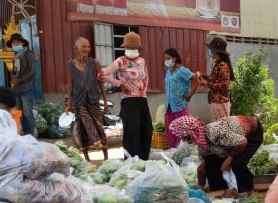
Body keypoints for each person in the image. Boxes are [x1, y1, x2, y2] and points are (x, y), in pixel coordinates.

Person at [169, 115, 262, 199]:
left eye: (186, 138)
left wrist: (228, 160)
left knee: (237, 163)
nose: (185, 141)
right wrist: (200, 190)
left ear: (192, 132)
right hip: (234, 141)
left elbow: (242, 142)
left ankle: (250, 192)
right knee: (210, 161)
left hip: (252, 133)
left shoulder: (214, 132)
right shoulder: (202, 144)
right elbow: (202, 168)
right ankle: (224, 192)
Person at [99, 32, 151, 160]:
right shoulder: (121, 61)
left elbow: (146, 78)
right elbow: (101, 75)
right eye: (129, 47)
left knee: (146, 130)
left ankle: (144, 161)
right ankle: (132, 162)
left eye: (134, 48)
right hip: (129, 101)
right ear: (125, 48)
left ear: (138, 48)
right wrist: (119, 84)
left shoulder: (142, 61)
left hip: (142, 100)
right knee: (131, 133)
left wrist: (143, 92)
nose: (132, 50)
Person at [66, 37, 108, 162]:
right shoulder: (70, 64)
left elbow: (100, 83)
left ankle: (105, 157)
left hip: (93, 99)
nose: (86, 49)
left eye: (88, 46)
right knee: (82, 127)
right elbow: (70, 83)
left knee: (99, 126)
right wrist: (69, 102)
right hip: (79, 100)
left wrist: (105, 101)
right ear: (76, 48)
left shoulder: (94, 63)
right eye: (83, 46)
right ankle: (87, 158)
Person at [163, 48, 200, 149]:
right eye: (165, 58)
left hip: (180, 106)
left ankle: (182, 154)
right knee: (170, 130)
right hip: (169, 106)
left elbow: (197, 81)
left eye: (168, 58)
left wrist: (190, 95)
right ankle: (173, 152)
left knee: (182, 131)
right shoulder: (168, 72)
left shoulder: (182, 71)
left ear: (174, 58)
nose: (166, 60)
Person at [198, 37, 234, 122]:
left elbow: (224, 85)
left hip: (220, 103)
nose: (210, 52)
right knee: (217, 130)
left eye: (211, 50)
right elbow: (214, 80)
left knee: (220, 130)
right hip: (216, 103)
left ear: (216, 51)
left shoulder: (223, 66)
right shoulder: (218, 65)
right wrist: (202, 76)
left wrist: (206, 84)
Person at [7, 33, 36, 136]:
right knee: (19, 114)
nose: (15, 45)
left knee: (28, 114)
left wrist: (19, 80)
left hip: (27, 88)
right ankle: (23, 134)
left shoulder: (29, 53)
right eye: (13, 43)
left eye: (17, 42)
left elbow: (33, 71)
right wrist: (13, 76)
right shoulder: (15, 55)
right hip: (17, 89)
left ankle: (30, 135)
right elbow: (15, 71)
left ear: (22, 43)